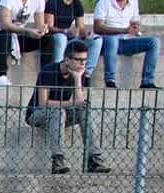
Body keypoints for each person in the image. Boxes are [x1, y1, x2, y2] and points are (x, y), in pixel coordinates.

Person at [26, 39, 112, 174]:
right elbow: (43, 103)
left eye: (85, 60)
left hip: (61, 114)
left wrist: (77, 78)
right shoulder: (48, 71)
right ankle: (58, 160)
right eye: (78, 60)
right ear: (67, 60)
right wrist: (71, 104)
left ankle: (93, 159)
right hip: (37, 114)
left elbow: (80, 102)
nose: (82, 63)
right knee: (57, 110)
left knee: (83, 108)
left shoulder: (79, 73)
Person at [0, 0, 49, 86]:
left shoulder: (39, 1)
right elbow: (4, 25)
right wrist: (28, 31)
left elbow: (39, 26)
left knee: (48, 38)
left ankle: (47, 74)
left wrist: (43, 30)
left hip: (17, 39)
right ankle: (1, 76)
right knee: (5, 34)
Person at [93, 0, 160, 89]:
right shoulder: (104, 2)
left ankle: (147, 81)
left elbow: (135, 21)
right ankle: (110, 80)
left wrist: (136, 28)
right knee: (112, 39)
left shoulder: (133, 2)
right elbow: (97, 28)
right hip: (107, 43)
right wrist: (124, 30)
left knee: (154, 41)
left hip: (125, 41)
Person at [45, 0, 103, 82]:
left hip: (69, 38)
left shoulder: (77, 4)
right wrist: (65, 31)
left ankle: (86, 75)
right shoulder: (52, 3)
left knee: (96, 40)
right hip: (54, 37)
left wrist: (86, 34)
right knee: (61, 38)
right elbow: (49, 27)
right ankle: (58, 73)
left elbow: (80, 27)